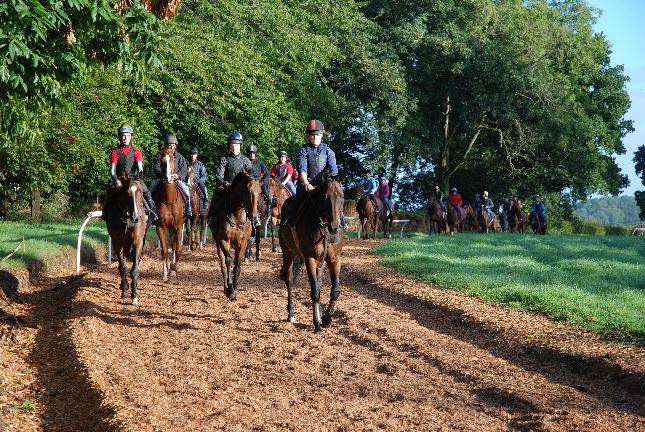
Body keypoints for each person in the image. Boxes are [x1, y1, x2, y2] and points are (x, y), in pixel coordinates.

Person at [281, 119, 339, 226]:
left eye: (317, 135)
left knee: (335, 198)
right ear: (308, 136)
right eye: (312, 135)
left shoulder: (328, 151)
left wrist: (324, 180)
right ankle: (289, 220)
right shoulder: (303, 151)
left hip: (323, 186)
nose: (314, 137)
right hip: (306, 186)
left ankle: (341, 220)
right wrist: (307, 183)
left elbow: (334, 170)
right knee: (296, 200)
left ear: (321, 135)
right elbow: (302, 169)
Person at [103, 123, 158, 223]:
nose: (125, 138)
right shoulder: (115, 152)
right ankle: (105, 213)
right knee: (110, 192)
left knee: (146, 192)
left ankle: (153, 213)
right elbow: (112, 171)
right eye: (123, 135)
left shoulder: (136, 151)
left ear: (131, 137)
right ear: (120, 137)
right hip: (121, 180)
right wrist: (116, 181)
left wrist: (138, 179)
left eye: (128, 135)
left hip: (134, 180)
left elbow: (140, 168)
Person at [150, 134, 191, 217]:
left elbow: (184, 170)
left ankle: (188, 209)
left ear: (176, 146)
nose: (172, 148)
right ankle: (151, 211)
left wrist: (178, 176)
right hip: (162, 179)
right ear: (166, 146)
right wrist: (163, 175)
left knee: (186, 190)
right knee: (150, 190)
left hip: (176, 180)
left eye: (173, 145)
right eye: (169, 146)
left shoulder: (180, 157)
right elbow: (156, 167)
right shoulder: (160, 156)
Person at [247, 144, 271, 208]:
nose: (252, 154)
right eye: (250, 153)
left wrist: (263, 182)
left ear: (255, 153)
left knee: (265, 191)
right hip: (248, 182)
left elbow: (267, 173)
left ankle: (269, 205)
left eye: (253, 153)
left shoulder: (260, 162)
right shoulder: (245, 161)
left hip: (258, 182)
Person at [188, 147, 209, 212]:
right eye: (191, 154)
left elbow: (204, 175)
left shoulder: (200, 164)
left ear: (196, 155)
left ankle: (205, 200)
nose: (192, 156)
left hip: (197, 181)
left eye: (194, 154)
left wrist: (199, 181)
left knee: (203, 188)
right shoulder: (187, 164)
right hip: (188, 181)